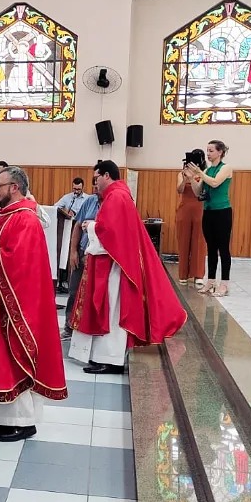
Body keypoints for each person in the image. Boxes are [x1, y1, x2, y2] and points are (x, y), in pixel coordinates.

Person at [0, 166, 67, 442]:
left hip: (11, 305)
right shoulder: (8, 216)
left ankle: (21, 421)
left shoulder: (25, 219)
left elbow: (15, 262)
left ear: (14, 188)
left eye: (0, 186)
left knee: (10, 357)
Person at [68, 160, 187, 374]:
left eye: (96, 179)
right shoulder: (118, 194)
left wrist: (90, 226)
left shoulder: (117, 196)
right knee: (109, 310)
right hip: (112, 263)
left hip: (114, 267)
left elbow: (111, 232)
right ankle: (101, 357)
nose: (95, 184)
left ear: (106, 175)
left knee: (112, 311)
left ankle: (111, 360)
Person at [188, 140, 234, 297]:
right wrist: (192, 178)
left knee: (223, 248)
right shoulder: (207, 170)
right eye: (207, 150)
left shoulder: (226, 168)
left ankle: (225, 283)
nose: (208, 154)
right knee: (211, 248)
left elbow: (214, 183)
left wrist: (200, 173)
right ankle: (211, 280)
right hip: (208, 212)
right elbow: (197, 192)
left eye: (211, 151)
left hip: (223, 212)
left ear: (220, 152)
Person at [63, 181, 100, 338]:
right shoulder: (90, 201)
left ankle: (88, 329)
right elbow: (77, 226)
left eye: (98, 184)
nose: (96, 188)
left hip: (98, 257)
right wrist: (73, 252)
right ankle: (69, 327)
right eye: (95, 185)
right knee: (74, 291)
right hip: (82, 251)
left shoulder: (112, 204)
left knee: (93, 295)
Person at [176, 155, 206, 289]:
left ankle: (198, 275)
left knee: (199, 241)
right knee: (184, 240)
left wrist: (193, 178)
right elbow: (179, 190)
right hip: (184, 209)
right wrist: (185, 179)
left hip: (199, 209)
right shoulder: (181, 174)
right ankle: (183, 274)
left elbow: (199, 192)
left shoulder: (203, 174)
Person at [54, 177, 88, 291]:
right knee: (64, 252)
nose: (76, 191)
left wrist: (75, 213)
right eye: (74, 189)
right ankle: (62, 280)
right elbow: (55, 207)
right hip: (67, 228)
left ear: (82, 187)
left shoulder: (87, 199)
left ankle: (70, 280)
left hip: (81, 229)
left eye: (78, 189)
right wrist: (64, 211)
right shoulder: (68, 197)